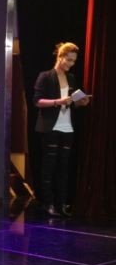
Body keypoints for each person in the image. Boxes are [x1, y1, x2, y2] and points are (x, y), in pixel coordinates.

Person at [34, 42, 89, 217]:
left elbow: (73, 101)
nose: (71, 64)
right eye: (69, 60)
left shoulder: (71, 78)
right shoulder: (45, 76)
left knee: (64, 167)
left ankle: (62, 203)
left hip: (67, 127)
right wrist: (58, 101)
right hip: (50, 126)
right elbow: (37, 101)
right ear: (60, 56)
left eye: (74, 61)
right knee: (49, 166)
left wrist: (81, 102)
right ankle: (48, 203)